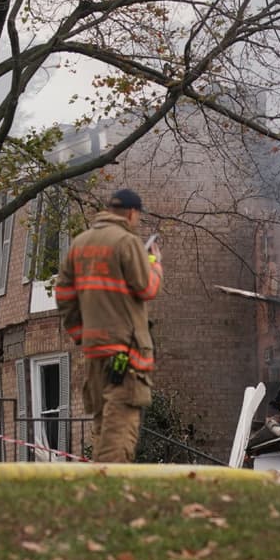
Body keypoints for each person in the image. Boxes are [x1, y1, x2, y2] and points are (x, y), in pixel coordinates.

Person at [56, 188, 162, 462]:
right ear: (132, 213)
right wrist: (154, 263)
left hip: (95, 350)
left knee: (103, 421)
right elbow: (146, 288)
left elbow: (64, 296)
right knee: (121, 425)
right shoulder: (126, 243)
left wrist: (82, 335)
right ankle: (107, 490)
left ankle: (102, 485)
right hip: (125, 351)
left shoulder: (79, 245)